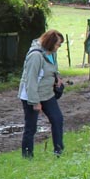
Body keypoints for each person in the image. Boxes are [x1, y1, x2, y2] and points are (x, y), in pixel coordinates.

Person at [18, 29, 65, 158]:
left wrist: (57, 78)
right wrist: (35, 102)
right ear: (50, 43)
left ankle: (59, 151)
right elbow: (30, 80)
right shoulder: (35, 56)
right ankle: (27, 156)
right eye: (57, 44)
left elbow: (53, 68)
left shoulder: (51, 53)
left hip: (47, 93)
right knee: (31, 127)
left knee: (58, 119)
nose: (58, 47)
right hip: (31, 95)